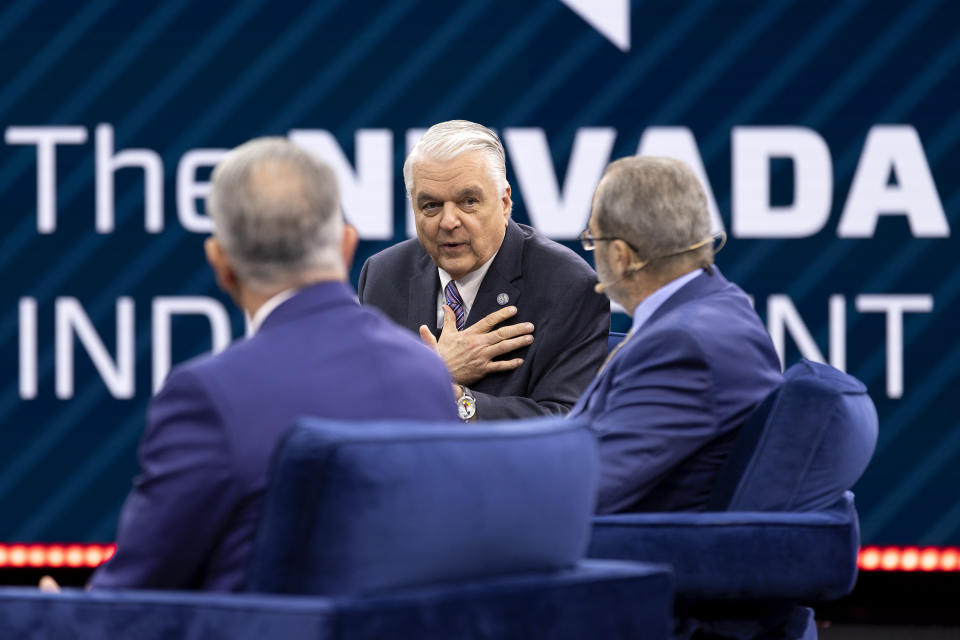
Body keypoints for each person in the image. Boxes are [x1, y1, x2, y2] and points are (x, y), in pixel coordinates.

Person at [88, 138, 458, 591]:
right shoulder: (426, 374)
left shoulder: (206, 397)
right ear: (346, 246)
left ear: (221, 264)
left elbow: (125, 604)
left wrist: (51, 617)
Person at [358, 120, 609, 421]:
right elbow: (354, 402)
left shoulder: (568, 286)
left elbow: (568, 422)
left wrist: (461, 402)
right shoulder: (383, 275)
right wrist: (436, 369)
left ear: (504, 203)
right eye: (431, 206)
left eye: (468, 202)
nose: (449, 221)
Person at [572, 156, 782, 513]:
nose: (592, 252)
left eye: (593, 239)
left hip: (627, 554)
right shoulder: (720, 304)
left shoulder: (683, 345)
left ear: (622, 257)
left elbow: (583, 487)